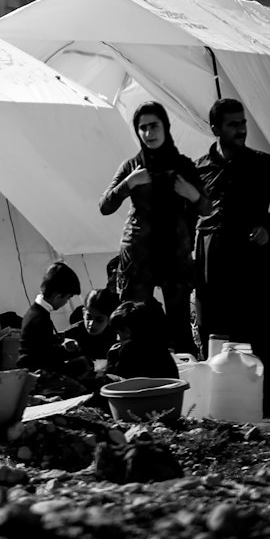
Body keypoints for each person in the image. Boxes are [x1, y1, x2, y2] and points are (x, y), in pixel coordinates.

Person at [194, 97, 270, 416]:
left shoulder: (265, 165)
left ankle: (264, 400)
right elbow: (188, 216)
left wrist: (268, 226)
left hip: (253, 258)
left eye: (243, 122)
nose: (241, 129)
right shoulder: (200, 170)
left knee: (260, 325)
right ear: (215, 129)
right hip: (214, 260)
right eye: (233, 124)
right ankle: (221, 400)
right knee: (216, 326)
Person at [98, 101, 209, 355]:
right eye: (143, 128)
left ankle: (184, 384)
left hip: (173, 255)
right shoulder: (132, 166)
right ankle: (136, 381)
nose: (149, 133)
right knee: (134, 324)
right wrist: (129, 183)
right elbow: (104, 206)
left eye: (154, 126)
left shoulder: (183, 166)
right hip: (139, 255)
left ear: (165, 127)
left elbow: (208, 208)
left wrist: (191, 194)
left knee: (180, 326)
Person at [17, 260, 83, 383]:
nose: (66, 302)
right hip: (35, 375)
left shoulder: (36, 312)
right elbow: (46, 357)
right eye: (68, 298)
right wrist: (66, 351)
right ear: (58, 296)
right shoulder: (39, 318)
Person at [104, 299, 179, 381]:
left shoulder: (129, 351)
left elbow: (114, 386)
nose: (118, 339)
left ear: (127, 331)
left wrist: (112, 359)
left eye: (118, 334)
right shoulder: (160, 349)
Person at [66, 286, 119, 364]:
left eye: (99, 320)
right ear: (83, 313)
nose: (91, 324)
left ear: (109, 319)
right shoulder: (71, 336)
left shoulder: (117, 338)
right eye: (88, 317)